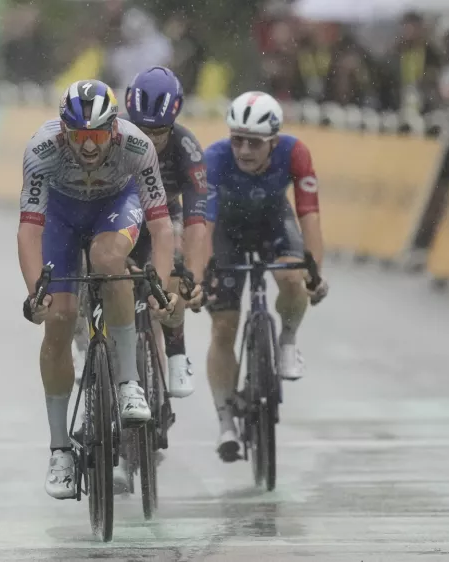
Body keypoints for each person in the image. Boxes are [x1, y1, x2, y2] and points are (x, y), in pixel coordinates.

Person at [18, 79, 179, 500]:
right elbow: (29, 230)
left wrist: (160, 285)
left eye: (98, 136)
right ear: (63, 130)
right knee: (59, 318)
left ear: (114, 129)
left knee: (110, 262)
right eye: (79, 136)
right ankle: (59, 451)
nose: (89, 147)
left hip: (115, 207)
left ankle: (128, 384)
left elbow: (162, 226)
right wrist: (38, 291)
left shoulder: (137, 145)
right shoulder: (41, 149)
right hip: (61, 219)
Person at [182, 91, 329, 463]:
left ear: (274, 142)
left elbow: (309, 216)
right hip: (226, 233)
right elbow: (204, 224)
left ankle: (288, 341)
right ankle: (226, 421)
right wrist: (199, 279)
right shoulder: (213, 160)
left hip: (272, 223)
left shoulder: (295, 153)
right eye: (238, 140)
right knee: (223, 327)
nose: (244, 150)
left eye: (255, 143)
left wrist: (314, 272)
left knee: (294, 280)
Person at [123, 65, 206, 399]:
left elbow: (197, 222)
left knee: (172, 270)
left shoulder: (187, 146)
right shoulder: (114, 139)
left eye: (158, 132)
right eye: (142, 130)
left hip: (166, 215)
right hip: (123, 216)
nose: (149, 140)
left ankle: (176, 351)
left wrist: (195, 279)